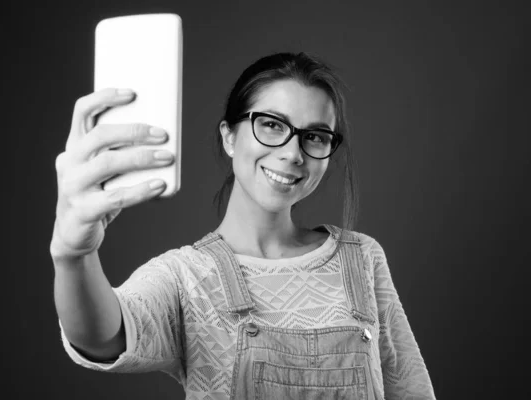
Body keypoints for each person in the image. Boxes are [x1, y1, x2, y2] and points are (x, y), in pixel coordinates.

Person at [51, 52, 436, 399]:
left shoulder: (362, 259)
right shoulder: (187, 277)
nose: (292, 153)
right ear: (229, 137)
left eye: (315, 137)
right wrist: (73, 255)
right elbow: (102, 336)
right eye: (271, 125)